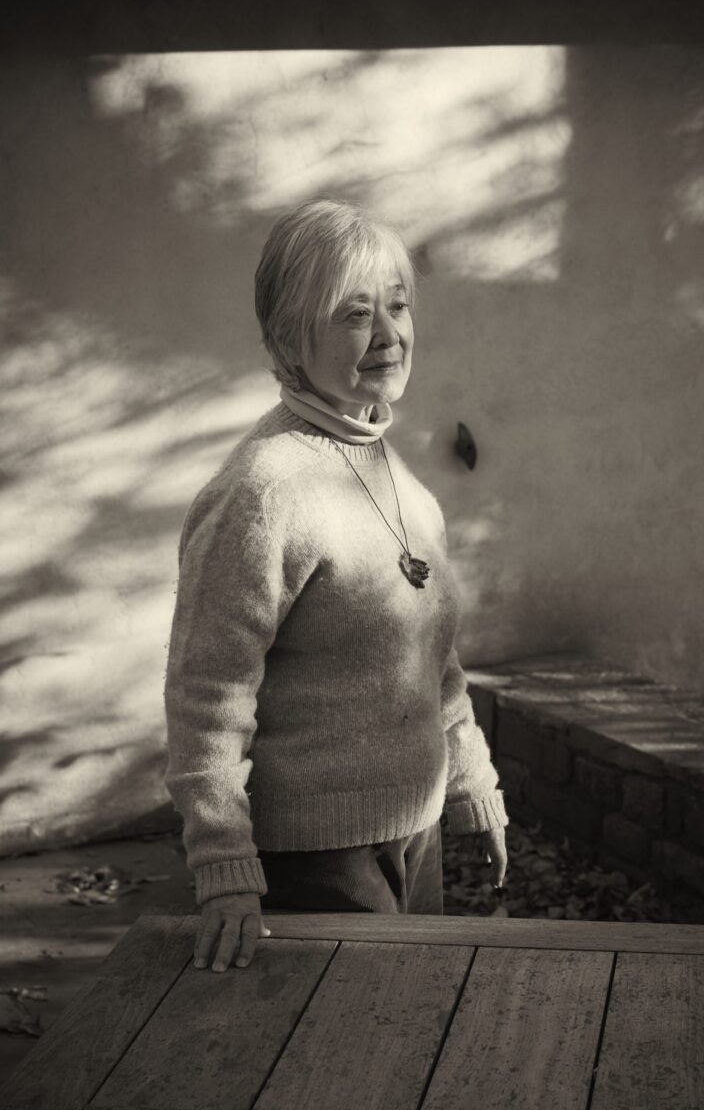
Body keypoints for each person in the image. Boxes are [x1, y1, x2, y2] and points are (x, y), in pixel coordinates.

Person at [163, 198, 509, 974]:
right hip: (312, 861)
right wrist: (223, 869)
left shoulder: (400, 480)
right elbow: (206, 692)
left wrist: (470, 781)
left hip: (413, 841)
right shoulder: (262, 490)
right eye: (355, 314)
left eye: (397, 305)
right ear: (291, 336)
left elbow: (436, 664)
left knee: (412, 1046)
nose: (389, 335)